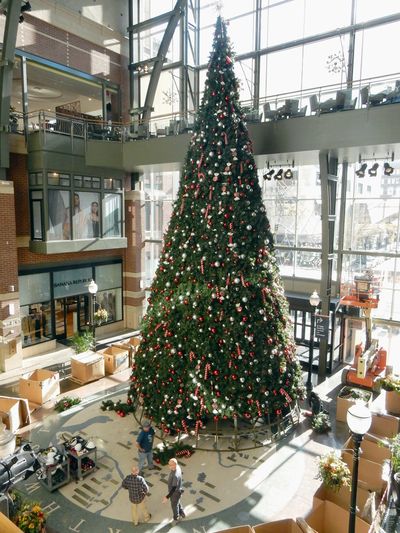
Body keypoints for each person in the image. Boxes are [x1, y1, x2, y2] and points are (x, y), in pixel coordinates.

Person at [162, 458, 185, 524]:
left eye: (171, 465)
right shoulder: (178, 467)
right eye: (169, 464)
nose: (169, 466)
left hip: (175, 493)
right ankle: (181, 511)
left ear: (175, 464)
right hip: (179, 490)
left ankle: (176, 517)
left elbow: (174, 487)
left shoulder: (175, 475)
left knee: (174, 506)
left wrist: (167, 497)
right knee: (177, 501)